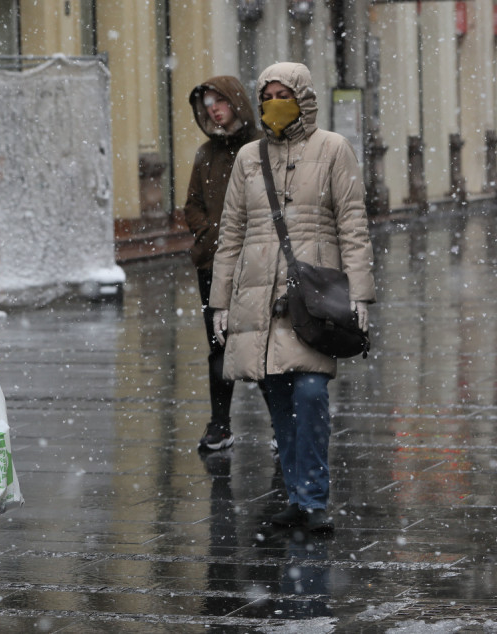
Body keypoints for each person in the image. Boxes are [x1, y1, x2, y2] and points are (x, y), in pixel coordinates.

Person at [209, 62, 375, 533]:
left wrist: (360, 293)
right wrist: (220, 301)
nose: (273, 103)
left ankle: (314, 496)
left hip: (313, 300)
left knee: (310, 392)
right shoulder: (248, 158)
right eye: (267, 96)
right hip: (258, 301)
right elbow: (232, 232)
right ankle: (299, 498)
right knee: (280, 399)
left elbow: (354, 227)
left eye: (283, 94)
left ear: (302, 96)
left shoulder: (333, 150)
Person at [183, 76, 261, 452]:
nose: (214, 109)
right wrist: (207, 235)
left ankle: (283, 425)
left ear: (236, 103)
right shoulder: (205, 154)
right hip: (213, 267)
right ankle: (220, 424)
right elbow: (192, 205)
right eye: (209, 103)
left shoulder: (262, 148)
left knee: (263, 345)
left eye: (221, 101)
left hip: (257, 266)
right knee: (219, 347)